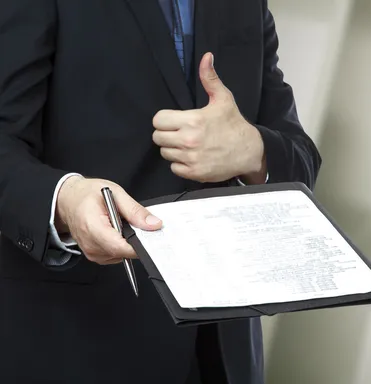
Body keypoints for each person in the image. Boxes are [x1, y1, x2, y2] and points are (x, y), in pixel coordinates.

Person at [0, 0, 321, 383]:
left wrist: (254, 150)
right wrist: (65, 201)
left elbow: (302, 158)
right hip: (69, 343)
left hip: (223, 355)